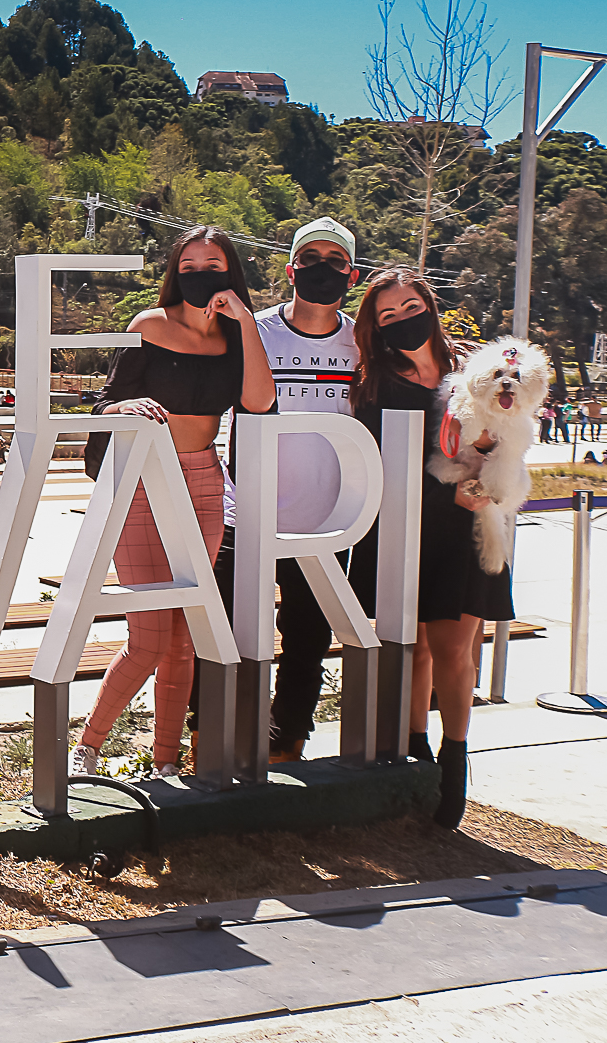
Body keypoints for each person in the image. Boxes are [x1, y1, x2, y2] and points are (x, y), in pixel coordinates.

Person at [72, 226, 275, 778]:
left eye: (213, 264)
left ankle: (165, 763)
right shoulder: (149, 325)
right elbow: (105, 407)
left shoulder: (235, 338)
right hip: (140, 479)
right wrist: (129, 403)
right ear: (174, 271)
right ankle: (88, 746)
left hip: (205, 483)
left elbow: (259, 400)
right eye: (188, 265)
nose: (200, 274)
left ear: (230, 273)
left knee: (184, 635)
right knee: (150, 635)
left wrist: (247, 324)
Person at [345, 269, 509, 830]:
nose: (402, 319)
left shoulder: (473, 373)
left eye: (410, 306)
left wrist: (488, 473)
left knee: (455, 649)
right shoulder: (374, 383)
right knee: (412, 646)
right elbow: (379, 467)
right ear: (375, 327)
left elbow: (507, 435)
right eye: (387, 315)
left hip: (467, 529)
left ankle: (455, 754)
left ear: (430, 306)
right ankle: (415, 752)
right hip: (407, 524)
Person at [212, 216, 360, 765]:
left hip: (328, 519)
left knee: (307, 637)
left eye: (335, 261)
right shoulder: (256, 331)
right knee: (223, 630)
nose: (322, 269)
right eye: (311, 259)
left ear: (352, 273)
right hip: (243, 511)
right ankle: (212, 738)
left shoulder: (359, 341)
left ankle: (288, 740)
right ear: (291, 267)